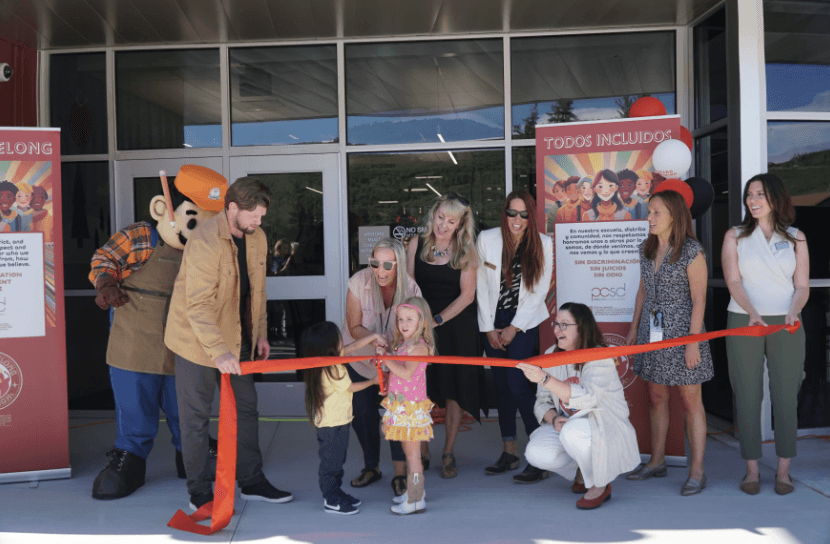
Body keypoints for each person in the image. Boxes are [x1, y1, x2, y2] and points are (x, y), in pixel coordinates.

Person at [88, 167, 226, 500]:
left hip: (186, 341)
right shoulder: (140, 237)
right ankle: (129, 458)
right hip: (136, 340)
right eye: (193, 220)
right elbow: (105, 258)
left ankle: (192, 454)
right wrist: (107, 284)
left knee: (188, 403)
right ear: (162, 210)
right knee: (135, 402)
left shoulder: (208, 248)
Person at [165, 177, 293, 511]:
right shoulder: (205, 240)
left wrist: (262, 333)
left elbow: (258, 292)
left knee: (246, 409)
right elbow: (198, 305)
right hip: (196, 340)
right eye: (254, 215)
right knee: (195, 418)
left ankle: (251, 481)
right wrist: (218, 352)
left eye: (262, 217)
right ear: (232, 207)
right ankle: (199, 492)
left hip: (237, 337)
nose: (259, 222)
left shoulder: (258, 237)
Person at [722, 173, 809, 496]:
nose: (753, 200)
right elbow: (733, 282)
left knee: (786, 397)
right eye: (749, 195)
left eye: (759, 194)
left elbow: (801, 286)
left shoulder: (797, 238)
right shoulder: (735, 236)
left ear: (775, 198)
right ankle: (752, 470)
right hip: (745, 320)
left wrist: (793, 310)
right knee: (747, 394)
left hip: (787, 324)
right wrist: (752, 312)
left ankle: (784, 472)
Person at [625, 189, 713, 496]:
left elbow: (699, 299)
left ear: (674, 216)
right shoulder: (646, 248)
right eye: (649, 212)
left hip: (686, 334)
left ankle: (697, 472)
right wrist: (635, 328)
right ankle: (656, 461)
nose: (648, 218)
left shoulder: (691, 251)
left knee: (691, 403)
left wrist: (692, 342)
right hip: (653, 333)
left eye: (655, 213)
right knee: (656, 398)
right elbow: (642, 292)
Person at [517, 302, 640, 510]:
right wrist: (554, 419)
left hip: (603, 426)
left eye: (564, 325)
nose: (557, 330)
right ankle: (581, 470)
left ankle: (599, 484)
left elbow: (587, 401)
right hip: (567, 426)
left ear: (581, 327)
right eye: (556, 324)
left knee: (572, 432)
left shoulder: (600, 356)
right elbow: (542, 402)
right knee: (535, 453)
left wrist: (545, 378)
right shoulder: (551, 354)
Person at [477, 189, 554, 483]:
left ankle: (540, 453)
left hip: (525, 322)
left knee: (518, 383)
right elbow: (482, 287)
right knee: (500, 385)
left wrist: (514, 327)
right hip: (492, 320)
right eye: (512, 213)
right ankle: (509, 451)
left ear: (530, 216)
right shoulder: (487, 239)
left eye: (523, 214)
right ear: (505, 213)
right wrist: (488, 327)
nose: (517, 220)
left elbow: (539, 292)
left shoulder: (543, 244)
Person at [407, 191, 482, 480]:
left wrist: (435, 320)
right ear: (433, 215)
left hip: (455, 327)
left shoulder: (466, 251)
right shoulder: (417, 244)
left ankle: (448, 451)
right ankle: (423, 449)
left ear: (460, 224)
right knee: (420, 389)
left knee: (454, 391)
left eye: (451, 221)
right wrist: (418, 322)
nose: (443, 225)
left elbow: (467, 297)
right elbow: (410, 286)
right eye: (440, 217)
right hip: (421, 326)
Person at [342, 237, 421, 496]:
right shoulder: (358, 281)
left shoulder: (410, 288)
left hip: (396, 363)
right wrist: (374, 339)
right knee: (363, 414)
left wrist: (391, 348)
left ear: (399, 264)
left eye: (388, 265)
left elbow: (417, 330)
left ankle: (400, 474)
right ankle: (371, 467)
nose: (380, 271)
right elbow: (353, 326)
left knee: (397, 415)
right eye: (375, 263)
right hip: (362, 360)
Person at [301, 322, 386, 515]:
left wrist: (373, 337)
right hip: (333, 424)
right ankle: (331, 499)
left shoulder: (325, 360)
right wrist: (372, 382)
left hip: (337, 421)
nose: (342, 341)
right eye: (338, 338)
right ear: (329, 345)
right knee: (332, 463)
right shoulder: (333, 368)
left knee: (337, 460)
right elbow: (351, 388)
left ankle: (336, 492)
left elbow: (353, 347)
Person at [380, 296, 436, 515]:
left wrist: (386, 359)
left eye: (409, 319)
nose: (403, 324)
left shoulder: (419, 348)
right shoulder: (404, 345)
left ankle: (415, 499)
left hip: (411, 408)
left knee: (413, 456)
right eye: (400, 319)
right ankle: (415, 492)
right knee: (407, 451)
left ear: (421, 322)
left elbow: (405, 372)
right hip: (401, 406)